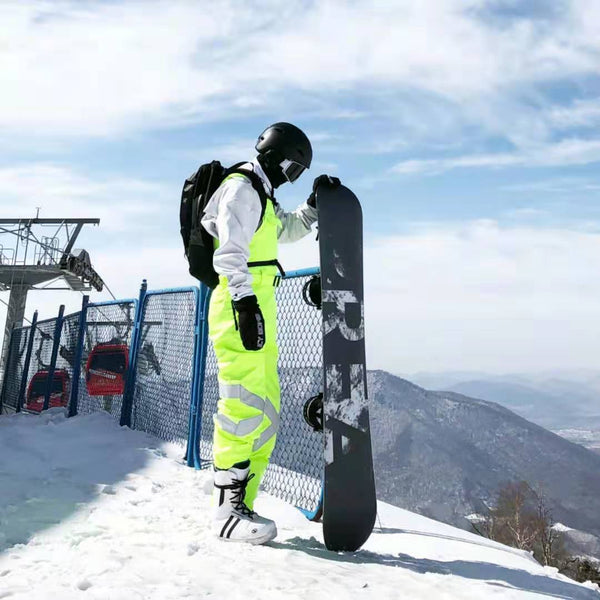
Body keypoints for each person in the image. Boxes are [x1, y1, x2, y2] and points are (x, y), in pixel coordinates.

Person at [201, 122, 340, 544]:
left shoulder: (260, 193)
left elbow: (285, 230)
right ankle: (226, 511)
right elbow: (229, 253)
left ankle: (242, 501)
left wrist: (312, 207)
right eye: (293, 170)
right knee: (241, 404)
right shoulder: (241, 189)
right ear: (279, 158)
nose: (291, 177)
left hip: (259, 303)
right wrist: (244, 303)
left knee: (265, 410)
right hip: (240, 305)